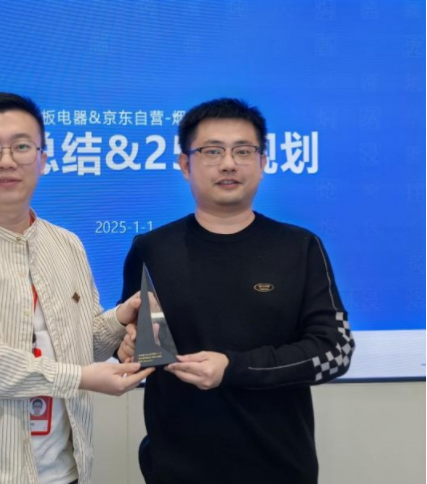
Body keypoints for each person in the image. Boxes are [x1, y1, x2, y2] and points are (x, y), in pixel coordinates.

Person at [0, 92, 153, 484]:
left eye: (21, 146)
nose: (6, 160)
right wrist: (80, 378)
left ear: (43, 159)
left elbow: (79, 345)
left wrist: (120, 319)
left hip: (64, 471)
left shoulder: (66, 244)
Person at [118, 98, 354, 484]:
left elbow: (334, 351)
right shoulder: (152, 249)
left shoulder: (299, 247)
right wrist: (126, 344)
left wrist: (234, 368)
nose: (228, 164)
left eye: (243, 151)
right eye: (212, 151)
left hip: (279, 466)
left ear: (263, 162)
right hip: (176, 467)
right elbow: (137, 339)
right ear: (184, 164)